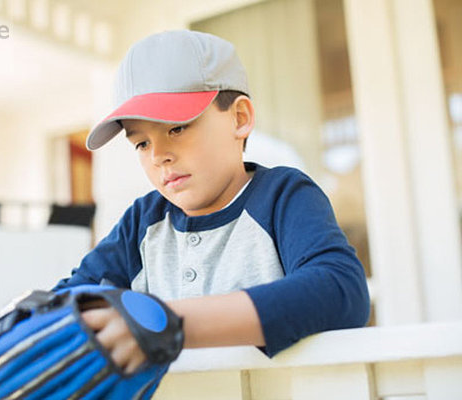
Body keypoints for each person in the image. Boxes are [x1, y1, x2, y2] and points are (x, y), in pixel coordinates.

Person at [53, 29, 370, 374]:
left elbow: (341, 290)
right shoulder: (142, 223)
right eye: (141, 143)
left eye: (176, 128)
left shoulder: (283, 196)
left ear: (239, 118)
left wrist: (166, 323)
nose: (158, 155)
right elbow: (70, 302)